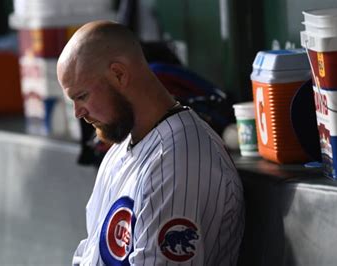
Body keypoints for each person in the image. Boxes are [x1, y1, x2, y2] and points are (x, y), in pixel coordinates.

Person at [57, 20, 244, 266]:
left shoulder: (179, 159)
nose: (78, 113)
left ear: (119, 74)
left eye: (81, 96)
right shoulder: (120, 150)